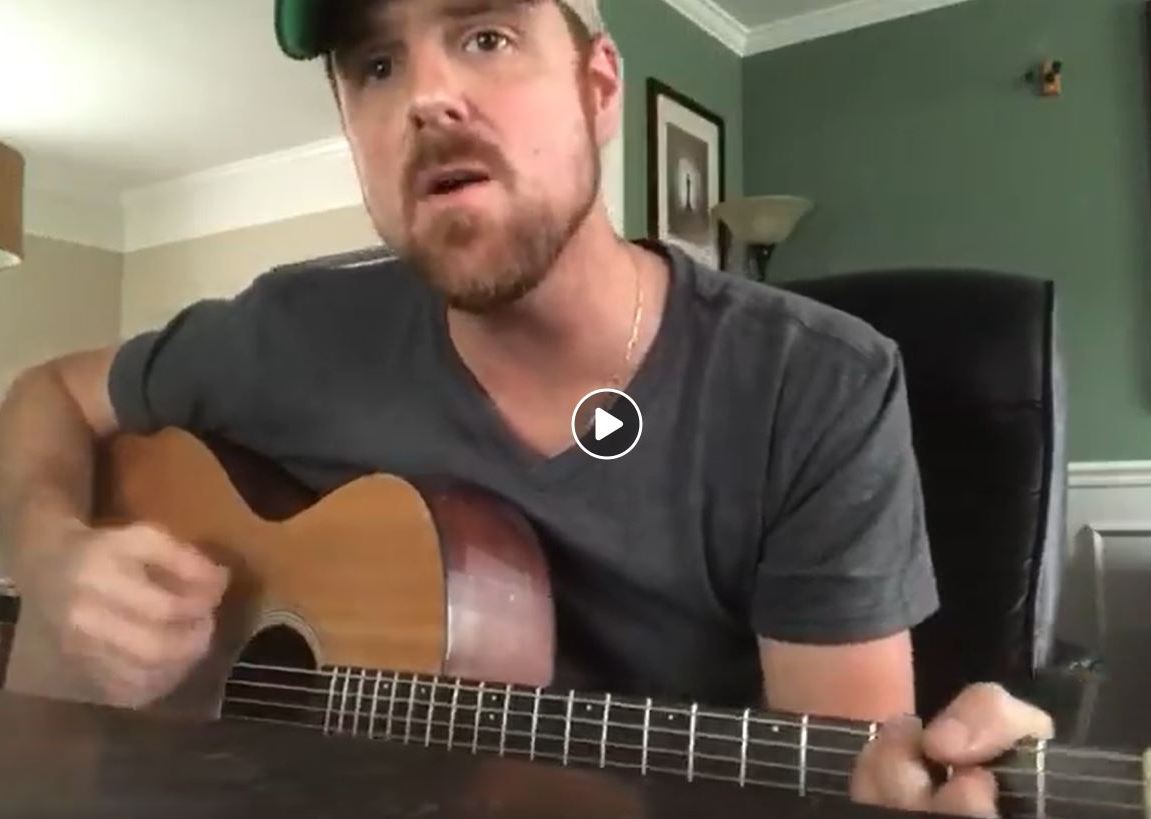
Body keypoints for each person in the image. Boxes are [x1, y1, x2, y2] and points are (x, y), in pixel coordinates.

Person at [0, 0, 1052, 815]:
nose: (427, 96)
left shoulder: (814, 383)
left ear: (600, 91)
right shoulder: (291, 332)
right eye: (375, 65)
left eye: (487, 35)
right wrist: (51, 555)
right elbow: (46, 393)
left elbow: (848, 778)